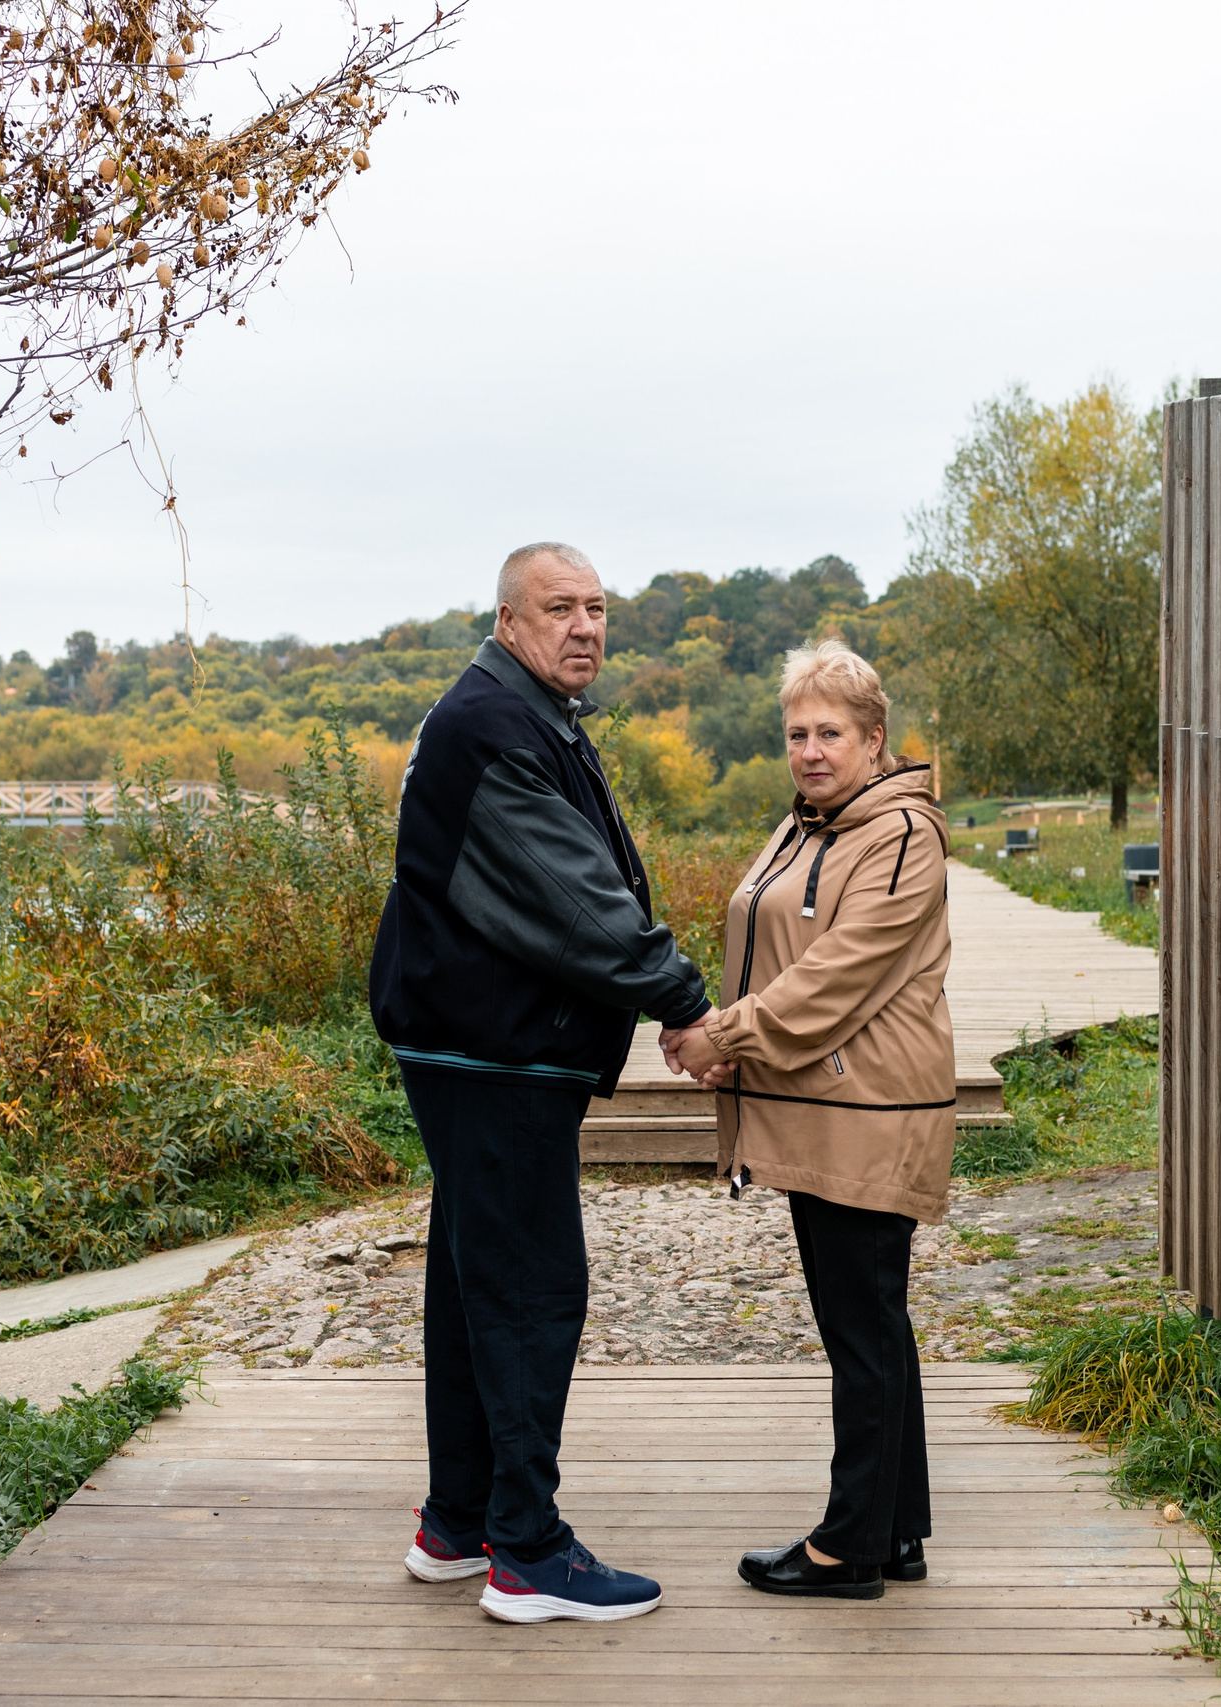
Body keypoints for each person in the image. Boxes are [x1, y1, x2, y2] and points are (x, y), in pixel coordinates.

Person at [369, 541, 718, 1625]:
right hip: (493, 1050)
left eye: (596, 609)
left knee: (476, 1281)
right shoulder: (492, 727)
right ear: (509, 620)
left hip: (474, 1043)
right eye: (558, 608)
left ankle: (457, 1524)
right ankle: (526, 1554)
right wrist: (685, 1002)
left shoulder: (517, 714)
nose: (583, 627)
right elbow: (575, 903)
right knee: (527, 1289)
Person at [664, 639, 953, 1601]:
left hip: (868, 1113)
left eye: (831, 731)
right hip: (826, 1109)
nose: (811, 749)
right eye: (797, 733)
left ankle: (848, 1545)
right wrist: (723, 1036)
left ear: (876, 739)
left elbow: (838, 977)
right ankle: (896, 1526)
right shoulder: (813, 824)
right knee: (868, 1321)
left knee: (862, 1328)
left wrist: (727, 1038)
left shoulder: (900, 835)